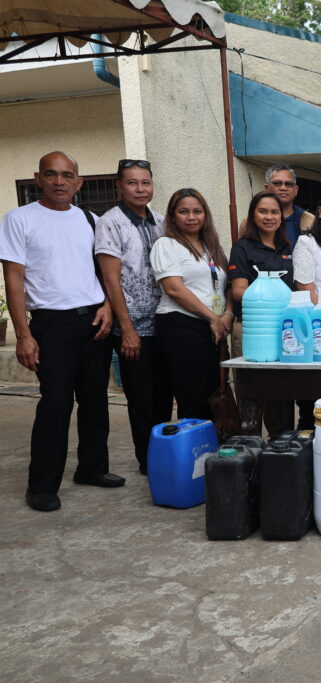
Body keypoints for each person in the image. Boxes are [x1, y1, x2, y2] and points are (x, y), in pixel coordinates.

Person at [0, 151, 120, 512]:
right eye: (51, 174)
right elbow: (14, 280)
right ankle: (41, 485)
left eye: (67, 175)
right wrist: (24, 335)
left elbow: (104, 271)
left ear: (78, 183)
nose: (59, 181)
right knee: (56, 403)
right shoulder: (19, 219)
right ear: (38, 178)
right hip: (51, 324)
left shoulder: (89, 219)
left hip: (94, 321)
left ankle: (92, 468)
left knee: (95, 399)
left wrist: (108, 306)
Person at [94, 158, 172, 476]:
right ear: (119, 186)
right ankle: (147, 459)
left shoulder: (161, 221)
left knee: (164, 395)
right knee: (141, 398)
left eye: (145, 182)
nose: (140, 189)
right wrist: (126, 329)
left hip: (164, 321)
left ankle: (162, 453)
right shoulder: (110, 222)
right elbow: (111, 280)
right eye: (132, 182)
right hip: (133, 327)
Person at [228, 190, 305, 437]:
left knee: (281, 398)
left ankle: (280, 448)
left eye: (274, 212)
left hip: (283, 332)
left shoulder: (287, 248)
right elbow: (239, 291)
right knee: (252, 397)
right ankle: (250, 448)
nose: (269, 217)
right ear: (253, 215)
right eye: (263, 211)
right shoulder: (242, 247)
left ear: (282, 217)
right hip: (253, 329)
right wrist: (271, 295)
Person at [150, 188, 232, 420]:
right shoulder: (166, 245)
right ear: (173, 215)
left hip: (212, 328)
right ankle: (193, 443)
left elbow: (227, 284)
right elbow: (174, 288)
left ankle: (210, 442)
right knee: (193, 398)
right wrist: (212, 317)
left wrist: (227, 314)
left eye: (197, 211)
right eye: (184, 212)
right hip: (181, 325)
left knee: (212, 395)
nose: (191, 217)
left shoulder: (211, 246)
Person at [241, 164, 315, 246]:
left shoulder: (311, 221)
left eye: (289, 184)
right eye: (277, 183)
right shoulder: (249, 223)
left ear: (296, 190)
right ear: (267, 188)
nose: (283, 188)